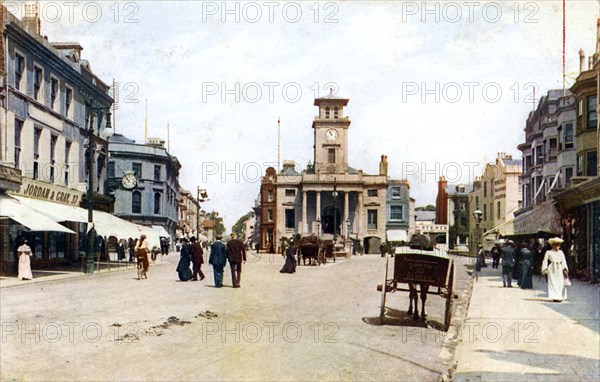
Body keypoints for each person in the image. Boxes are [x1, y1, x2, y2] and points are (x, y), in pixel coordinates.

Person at [541, 237, 569, 302]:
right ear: (552, 245)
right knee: (553, 282)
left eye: (559, 245)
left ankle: (559, 296)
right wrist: (544, 269)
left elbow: (563, 260)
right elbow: (545, 261)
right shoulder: (548, 252)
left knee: (560, 282)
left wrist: (565, 268)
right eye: (556, 245)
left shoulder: (561, 252)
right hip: (552, 269)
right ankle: (554, 296)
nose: (558, 247)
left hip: (559, 268)